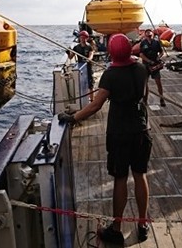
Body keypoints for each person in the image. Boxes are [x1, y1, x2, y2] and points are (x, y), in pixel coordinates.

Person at [58, 34, 152, 244]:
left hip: (120, 133)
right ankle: (142, 224)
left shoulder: (110, 75)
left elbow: (95, 105)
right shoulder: (141, 69)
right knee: (140, 175)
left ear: (111, 52)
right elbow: (144, 95)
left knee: (120, 178)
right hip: (141, 130)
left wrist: (73, 117)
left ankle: (116, 229)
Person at [139, 28, 165, 106]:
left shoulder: (156, 43)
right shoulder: (143, 43)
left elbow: (161, 52)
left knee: (158, 83)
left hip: (155, 65)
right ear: (145, 36)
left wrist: (159, 57)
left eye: (150, 35)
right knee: (145, 83)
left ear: (152, 35)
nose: (149, 37)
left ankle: (162, 99)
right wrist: (149, 61)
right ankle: (145, 100)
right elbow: (141, 55)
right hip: (146, 66)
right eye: (148, 35)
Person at [67, 30, 96, 100]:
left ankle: (92, 100)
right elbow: (71, 57)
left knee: (90, 84)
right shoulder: (76, 47)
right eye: (81, 37)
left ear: (87, 38)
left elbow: (91, 55)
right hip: (80, 68)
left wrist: (88, 59)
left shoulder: (89, 47)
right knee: (82, 84)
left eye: (84, 37)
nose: (82, 39)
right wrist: (68, 52)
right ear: (79, 38)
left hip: (88, 67)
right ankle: (84, 99)